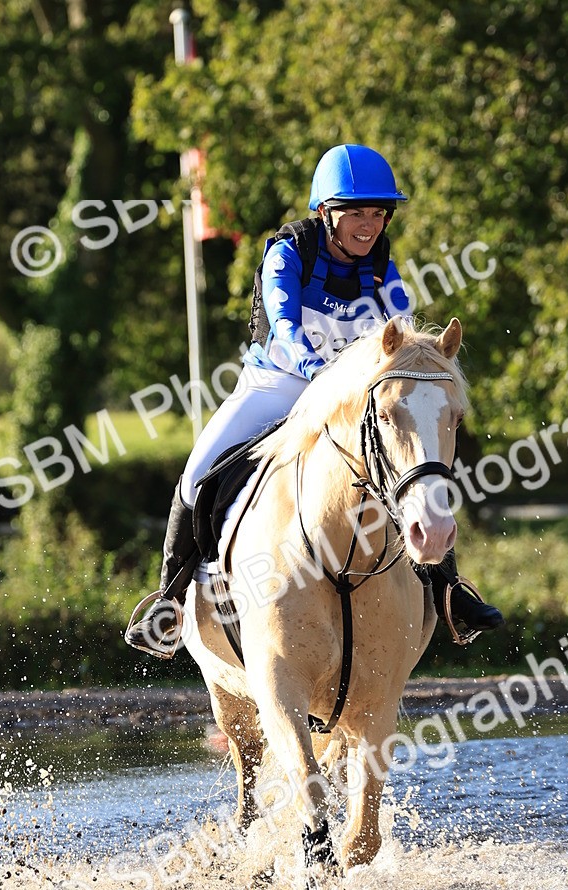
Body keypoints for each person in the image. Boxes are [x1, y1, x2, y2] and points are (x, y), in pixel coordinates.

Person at [125, 144, 503, 658]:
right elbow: (284, 326)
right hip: (278, 385)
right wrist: (314, 372)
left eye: (377, 213)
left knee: (414, 472)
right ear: (325, 211)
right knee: (197, 473)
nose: (368, 225)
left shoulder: (381, 265)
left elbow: (403, 326)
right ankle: (168, 603)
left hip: (351, 397)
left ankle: (450, 592)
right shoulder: (289, 251)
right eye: (355, 213)